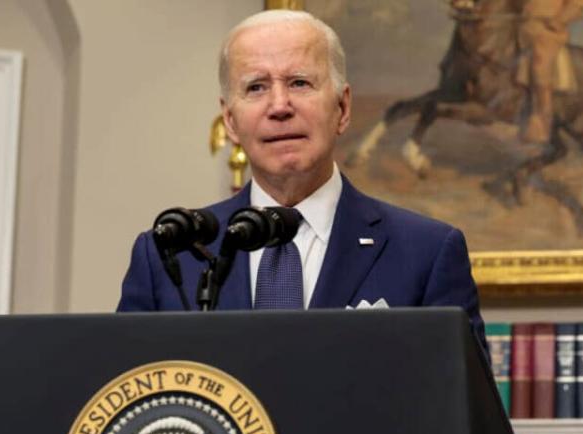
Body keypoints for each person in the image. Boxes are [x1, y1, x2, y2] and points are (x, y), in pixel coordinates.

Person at [117, 10, 486, 349]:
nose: (279, 107)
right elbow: (126, 404)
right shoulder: (170, 255)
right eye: (256, 87)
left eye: (299, 83)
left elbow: (462, 412)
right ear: (230, 121)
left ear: (341, 109)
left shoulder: (427, 253)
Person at [518, 0, 583, 143]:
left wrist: (559, 21)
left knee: (540, 64)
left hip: (548, 29)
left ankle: (542, 121)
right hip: (525, 25)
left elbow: (578, 3)